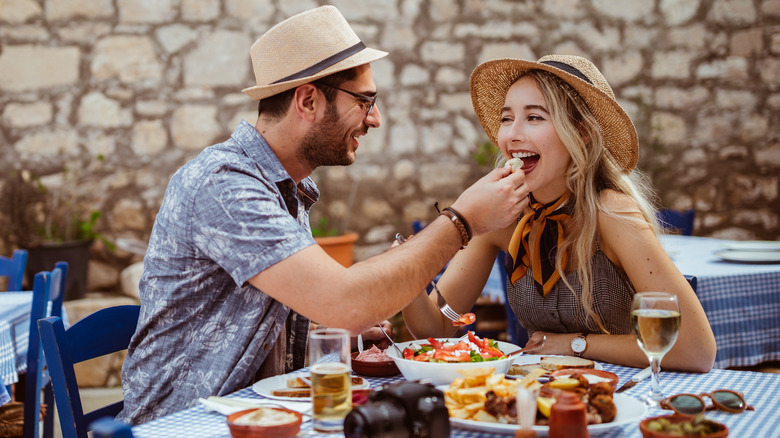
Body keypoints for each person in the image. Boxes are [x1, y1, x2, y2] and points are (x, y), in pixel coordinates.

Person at [117, 6, 528, 425]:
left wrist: (324, 336)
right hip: (182, 425)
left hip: (250, 414)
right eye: (366, 101)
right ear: (308, 100)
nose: (376, 119)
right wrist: (462, 222)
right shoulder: (224, 184)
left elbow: (278, 314)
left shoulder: (283, 186)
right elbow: (347, 302)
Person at [402, 54, 716, 372]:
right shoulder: (503, 216)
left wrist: (574, 345)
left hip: (624, 399)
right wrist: (407, 275)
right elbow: (438, 329)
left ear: (581, 133)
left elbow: (695, 350)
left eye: (535, 118)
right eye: (506, 119)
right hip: (538, 403)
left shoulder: (611, 212)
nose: (512, 135)